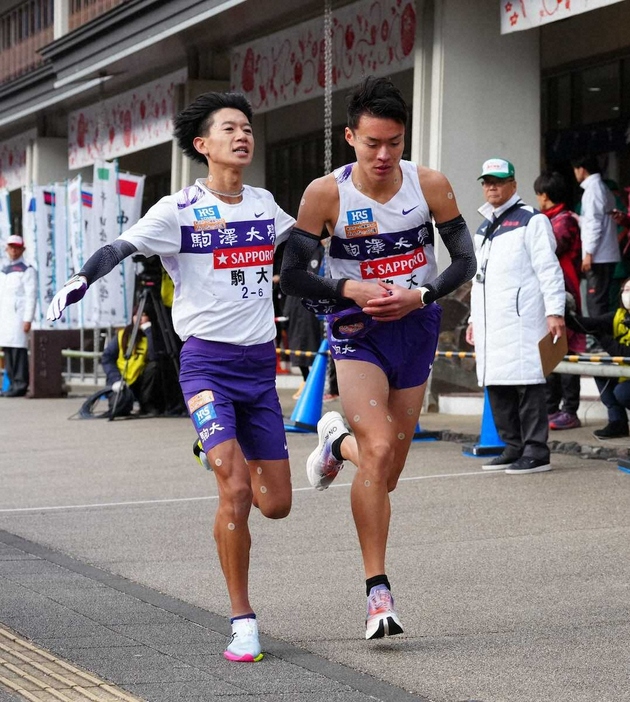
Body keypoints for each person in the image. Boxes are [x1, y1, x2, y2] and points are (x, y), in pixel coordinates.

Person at [46, 90, 295, 662]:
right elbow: (120, 246)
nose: (243, 136)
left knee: (276, 503)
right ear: (203, 145)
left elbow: (304, 242)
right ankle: (243, 621)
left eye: (247, 128)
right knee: (233, 489)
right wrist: (82, 280)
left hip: (259, 368)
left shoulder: (263, 204)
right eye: (230, 128)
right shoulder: (177, 209)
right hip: (205, 364)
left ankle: (265, 442)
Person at [280, 76, 476, 640]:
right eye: (373, 143)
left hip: (416, 323)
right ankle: (378, 594)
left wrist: (423, 294)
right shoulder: (326, 195)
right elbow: (292, 274)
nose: (385, 155)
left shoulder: (431, 184)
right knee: (381, 446)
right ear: (350, 137)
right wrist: (349, 291)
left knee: (385, 472)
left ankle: (333, 441)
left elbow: (464, 260)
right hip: (355, 328)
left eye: (395, 142)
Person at [466, 158, 566, 475]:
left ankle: (537, 451)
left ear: (513, 184)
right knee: (496, 383)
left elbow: (549, 269)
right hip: (489, 321)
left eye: (498, 180)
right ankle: (513, 446)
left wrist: (554, 312)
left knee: (528, 382)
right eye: (486, 181)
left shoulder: (532, 220)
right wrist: (471, 320)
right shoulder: (483, 228)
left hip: (522, 317)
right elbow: (476, 279)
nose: (491, 186)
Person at [533, 170, 585, 430]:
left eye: (539, 194)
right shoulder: (546, 219)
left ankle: (570, 410)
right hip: (548, 291)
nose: (537, 199)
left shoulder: (564, 221)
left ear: (545, 195)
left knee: (568, 349)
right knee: (550, 350)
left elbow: (547, 250)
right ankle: (551, 407)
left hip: (565, 291)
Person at [566, 277, 630, 439]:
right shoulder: (618, 316)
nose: (627, 294)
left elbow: (624, 353)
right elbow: (588, 324)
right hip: (626, 373)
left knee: (622, 392)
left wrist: (601, 336)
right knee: (601, 372)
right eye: (626, 290)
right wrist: (565, 313)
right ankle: (617, 422)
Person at [571, 155, 619, 317]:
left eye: (575, 170)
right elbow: (595, 220)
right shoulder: (601, 188)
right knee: (600, 300)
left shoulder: (593, 190)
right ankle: (602, 340)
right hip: (604, 254)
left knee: (595, 302)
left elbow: (595, 224)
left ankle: (598, 341)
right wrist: (578, 219)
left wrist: (588, 254)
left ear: (581, 169)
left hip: (598, 256)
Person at [100, 308, 159, 416]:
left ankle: (146, 405)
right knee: (119, 410)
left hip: (139, 382)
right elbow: (107, 358)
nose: (140, 318)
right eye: (136, 315)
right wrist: (116, 379)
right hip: (120, 380)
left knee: (154, 367)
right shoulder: (122, 335)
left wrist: (149, 332)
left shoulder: (151, 336)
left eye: (143, 315)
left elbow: (154, 356)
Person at [0, 235, 37, 397]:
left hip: (18, 317)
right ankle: (13, 383)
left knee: (18, 351)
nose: (13, 251)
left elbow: (31, 296)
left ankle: (21, 384)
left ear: (22, 249)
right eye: (11, 247)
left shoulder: (27, 269)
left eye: (17, 248)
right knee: (8, 350)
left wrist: (28, 318)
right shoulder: (4, 270)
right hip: (5, 317)